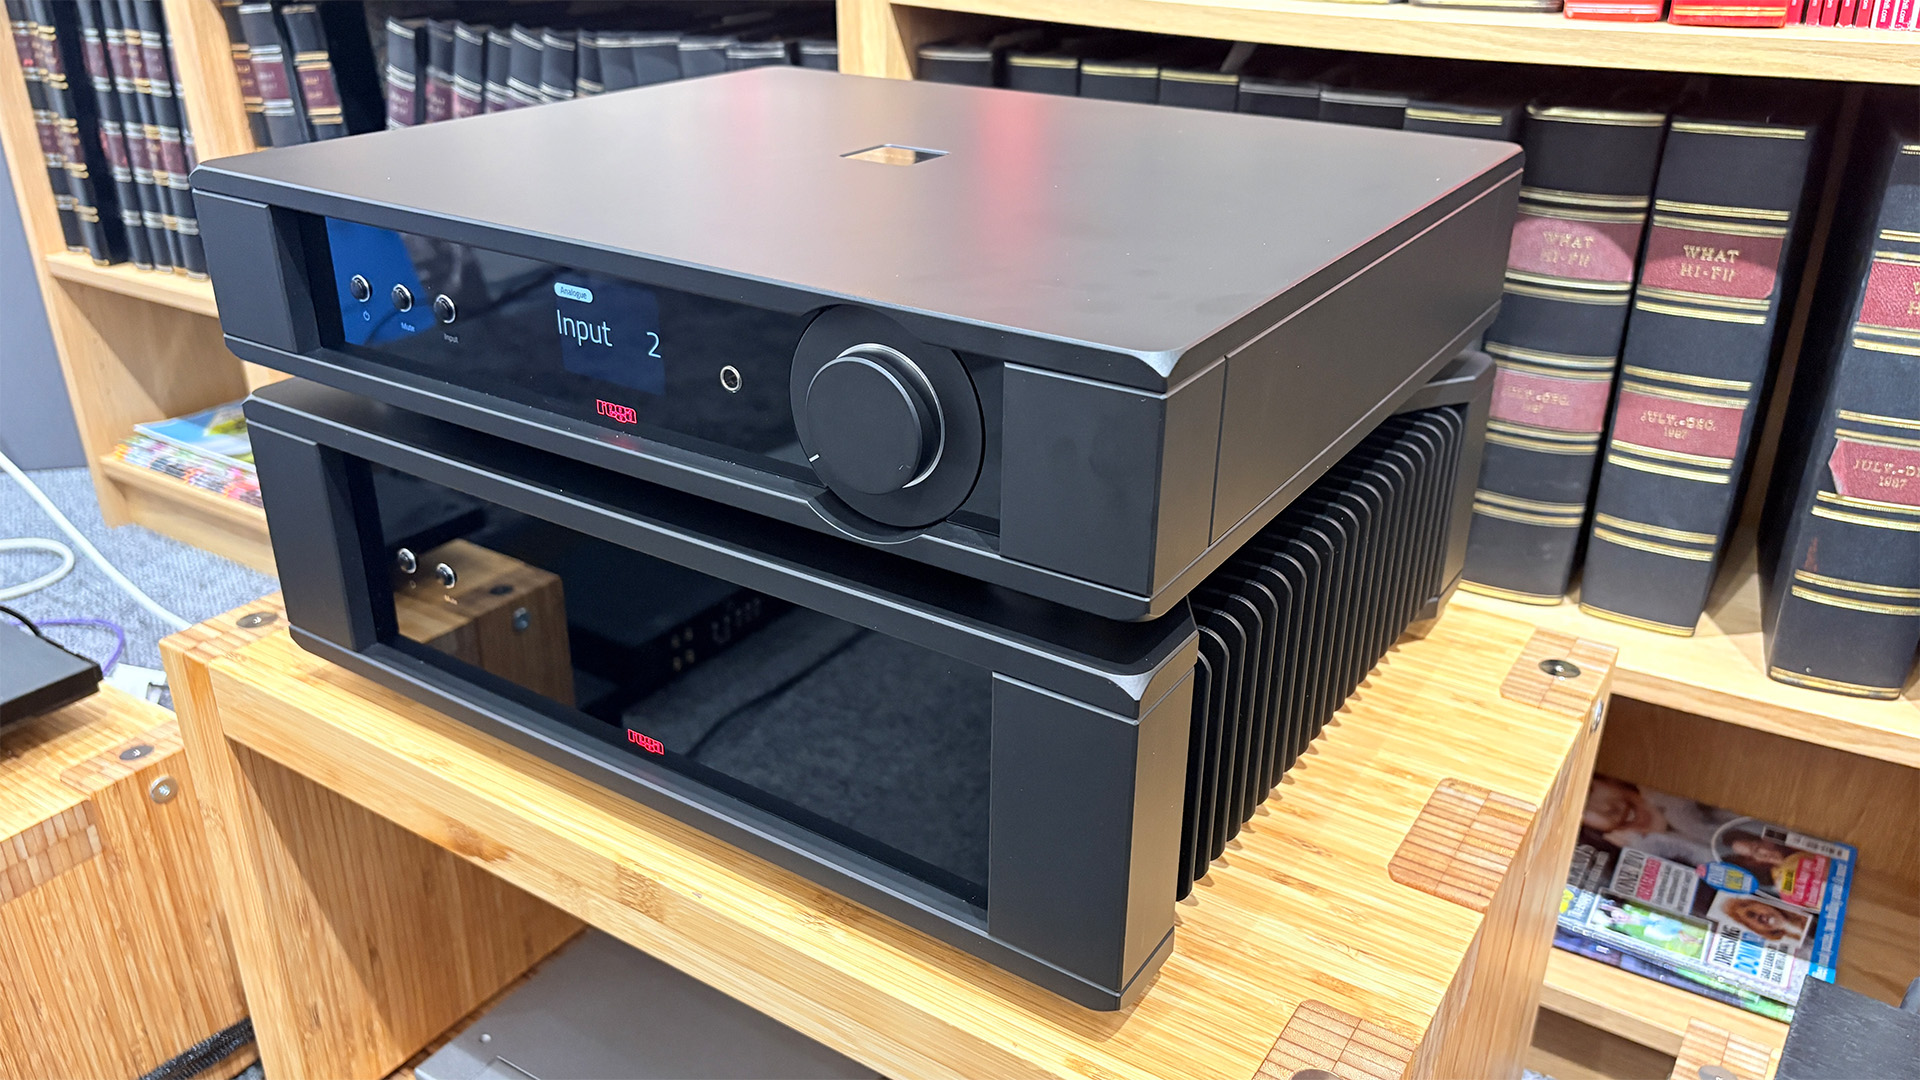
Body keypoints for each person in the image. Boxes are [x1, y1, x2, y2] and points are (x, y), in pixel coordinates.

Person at [1581, 775, 1729, 866]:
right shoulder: (1634, 855)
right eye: (1583, 812)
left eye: (1590, 790)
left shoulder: (1686, 783)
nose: (1606, 807)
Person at [1717, 896, 1809, 943]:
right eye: (1751, 918)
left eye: (1752, 912)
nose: (1761, 917)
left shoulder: (1803, 907)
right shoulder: (1789, 941)